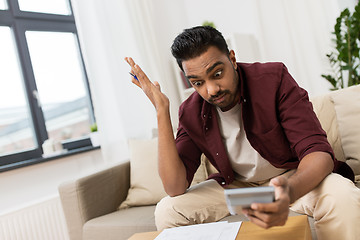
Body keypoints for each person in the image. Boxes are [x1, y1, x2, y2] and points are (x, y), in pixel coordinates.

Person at [125, 26, 360, 240]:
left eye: (217, 74)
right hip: (238, 188)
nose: (211, 89)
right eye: (198, 83)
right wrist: (161, 111)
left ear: (232, 59)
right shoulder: (191, 111)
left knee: (342, 196)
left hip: (289, 176)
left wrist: (287, 191)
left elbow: (318, 153)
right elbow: (174, 186)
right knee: (168, 209)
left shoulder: (273, 79)